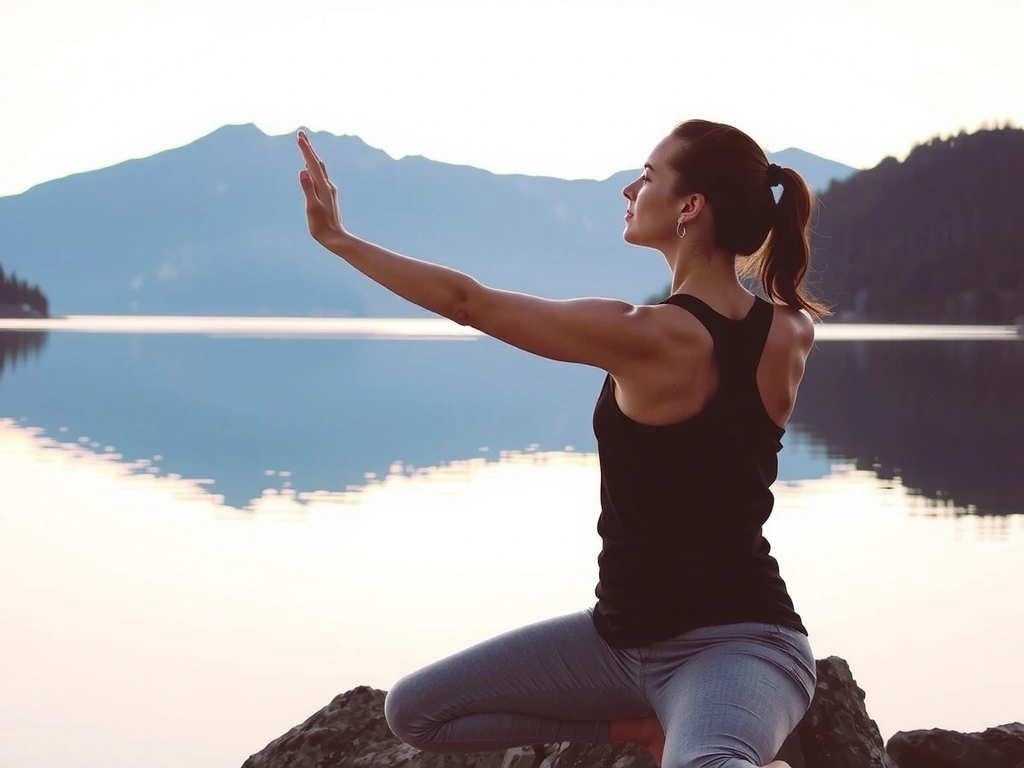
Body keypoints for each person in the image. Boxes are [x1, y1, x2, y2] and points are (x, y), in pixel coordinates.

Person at [296, 118, 827, 768]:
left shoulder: (650, 335)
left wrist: (340, 240)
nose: (630, 188)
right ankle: (642, 730)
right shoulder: (791, 332)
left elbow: (470, 303)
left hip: (736, 649)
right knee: (414, 709)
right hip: (618, 643)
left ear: (690, 208)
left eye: (649, 176)